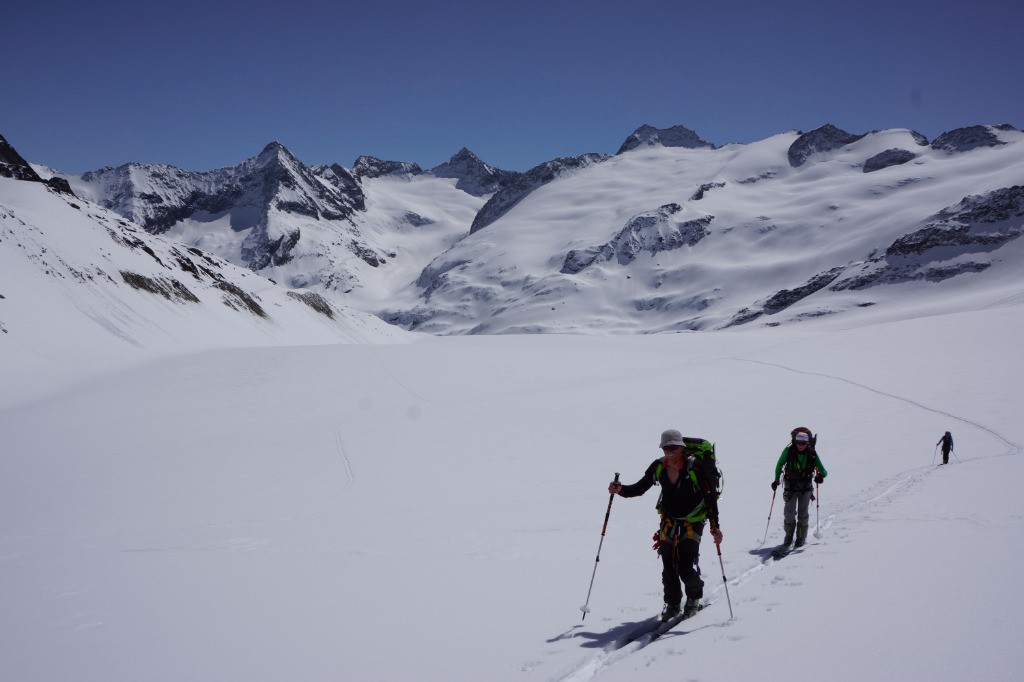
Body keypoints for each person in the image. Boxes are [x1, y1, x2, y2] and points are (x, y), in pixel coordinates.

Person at [608, 429, 722, 622]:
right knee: (668, 567)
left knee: (685, 565)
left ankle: (694, 599)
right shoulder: (659, 466)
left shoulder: (695, 467)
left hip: (692, 521)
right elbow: (640, 488)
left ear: (681, 447)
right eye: (666, 447)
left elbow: (709, 498)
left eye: (674, 447)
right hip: (668, 521)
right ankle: (673, 605)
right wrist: (621, 490)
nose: (670, 451)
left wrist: (715, 526)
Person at [771, 427, 827, 548]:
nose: (800, 445)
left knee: (803, 514)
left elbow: (823, 470)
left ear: (807, 443)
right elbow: (779, 464)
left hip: (805, 487)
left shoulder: (812, 454)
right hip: (790, 486)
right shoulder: (788, 451)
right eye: (798, 443)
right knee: (789, 513)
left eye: (803, 443)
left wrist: (820, 477)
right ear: (795, 442)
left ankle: (801, 538)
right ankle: (789, 537)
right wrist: (776, 479)